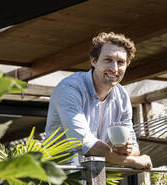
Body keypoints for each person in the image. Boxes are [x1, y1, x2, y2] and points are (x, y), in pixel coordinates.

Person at [45, 32, 152, 170]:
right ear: (93, 61)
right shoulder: (70, 89)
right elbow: (86, 145)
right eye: (108, 60)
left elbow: (135, 149)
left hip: (98, 177)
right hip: (59, 178)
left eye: (120, 62)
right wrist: (135, 162)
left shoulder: (122, 96)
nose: (114, 69)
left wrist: (126, 149)